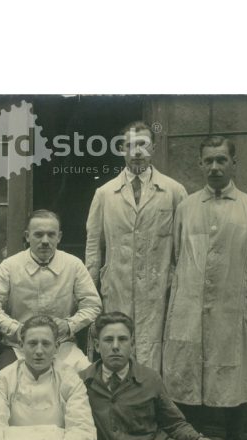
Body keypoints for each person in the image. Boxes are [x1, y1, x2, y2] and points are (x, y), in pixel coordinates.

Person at [162, 136, 247, 440]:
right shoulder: (187, 207)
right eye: (208, 160)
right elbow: (179, 256)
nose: (214, 167)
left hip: (233, 309)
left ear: (233, 164)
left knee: (235, 380)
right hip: (190, 309)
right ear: (200, 164)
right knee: (186, 378)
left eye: (221, 160)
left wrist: (234, 292)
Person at [80, 312, 247, 440]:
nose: (115, 346)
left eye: (122, 339)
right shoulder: (82, 383)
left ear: (132, 344)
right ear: (97, 346)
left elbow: (174, 423)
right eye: (108, 340)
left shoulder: (149, 378)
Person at [85, 121, 187, 372]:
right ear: (122, 149)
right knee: (117, 347)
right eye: (130, 145)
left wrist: (179, 283)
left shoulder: (173, 191)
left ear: (153, 148)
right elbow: (93, 246)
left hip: (159, 290)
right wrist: (90, 290)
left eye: (143, 144)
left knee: (156, 355)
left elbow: (185, 246)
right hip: (117, 287)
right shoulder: (105, 193)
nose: (137, 151)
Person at [0, 209, 101, 372]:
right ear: (27, 236)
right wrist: (16, 329)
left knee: (87, 378)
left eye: (51, 235)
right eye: (38, 234)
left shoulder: (74, 265)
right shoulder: (10, 266)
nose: (45, 241)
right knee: (5, 381)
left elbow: (93, 306)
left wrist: (69, 325)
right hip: (19, 346)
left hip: (62, 345)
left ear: (59, 237)